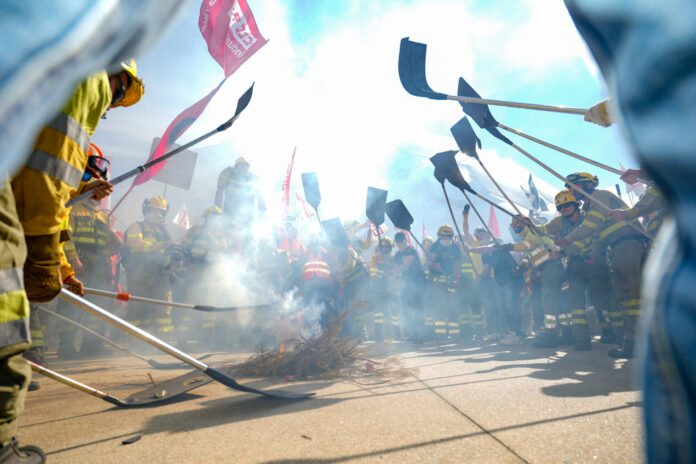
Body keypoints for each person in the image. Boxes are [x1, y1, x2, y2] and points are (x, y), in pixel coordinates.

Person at [558, 173, 643, 357]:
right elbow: (597, 236)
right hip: (620, 248)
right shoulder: (593, 205)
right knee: (626, 296)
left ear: (587, 184)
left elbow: (590, 226)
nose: (572, 191)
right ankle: (633, 341)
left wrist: (568, 240)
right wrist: (593, 253)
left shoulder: (600, 196)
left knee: (630, 296)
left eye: (574, 186)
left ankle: (636, 343)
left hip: (628, 245)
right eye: (571, 188)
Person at [122, 196, 173, 339]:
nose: (159, 215)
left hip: (160, 272)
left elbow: (170, 249)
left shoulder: (164, 230)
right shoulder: (137, 226)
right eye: (155, 211)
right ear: (147, 210)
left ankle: (163, 339)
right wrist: (159, 246)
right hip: (139, 272)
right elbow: (135, 243)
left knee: (163, 303)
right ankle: (133, 338)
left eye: (161, 212)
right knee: (137, 305)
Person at [215, 157, 265, 252]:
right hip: (231, 211)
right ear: (236, 166)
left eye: (246, 166)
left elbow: (260, 196)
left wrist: (263, 211)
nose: (243, 168)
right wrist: (218, 207)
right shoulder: (230, 174)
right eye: (241, 166)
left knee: (247, 238)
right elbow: (220, 188)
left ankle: (246, 255)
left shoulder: (252, 178)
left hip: (248, 215)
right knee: (228, 235)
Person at [426, 225, 461, 341]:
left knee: (453, 308)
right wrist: (434, 265)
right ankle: (440, 335)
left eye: (448, 236)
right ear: (439, 236)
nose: (445, 238)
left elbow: (457, 264)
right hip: (437, 283)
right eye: (443, 236)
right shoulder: (435, 246)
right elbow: (429, 262)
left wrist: (455, 278)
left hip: (450, 282)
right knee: (440, 308)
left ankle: (455, 334)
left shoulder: (455, 248)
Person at [393, 232, 426, 342]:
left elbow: (405, 266)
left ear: (405, 240)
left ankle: (421, 334)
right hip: (406, 285)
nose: (399, 243)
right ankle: (412, 334)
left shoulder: (411, 251)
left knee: (417, 308)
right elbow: (397, 271)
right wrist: (393, 284)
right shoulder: (397, 255)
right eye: (397, 241)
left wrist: (392, 271)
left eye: (401, 240)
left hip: (418, 283)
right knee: (407, 309)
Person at [369, 237, 396, 342]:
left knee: (394, 310)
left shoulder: (394, 258)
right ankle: (379, 335)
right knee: (378, 312)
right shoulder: (375, 259)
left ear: (390, 248)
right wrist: (383, 272)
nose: (385, 249)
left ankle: (397, 333)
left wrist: (391, 274)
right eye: (383, 247)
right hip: (378, 288)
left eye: (387, 247)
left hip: (392, 288)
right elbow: (373, 273)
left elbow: (397, 272)